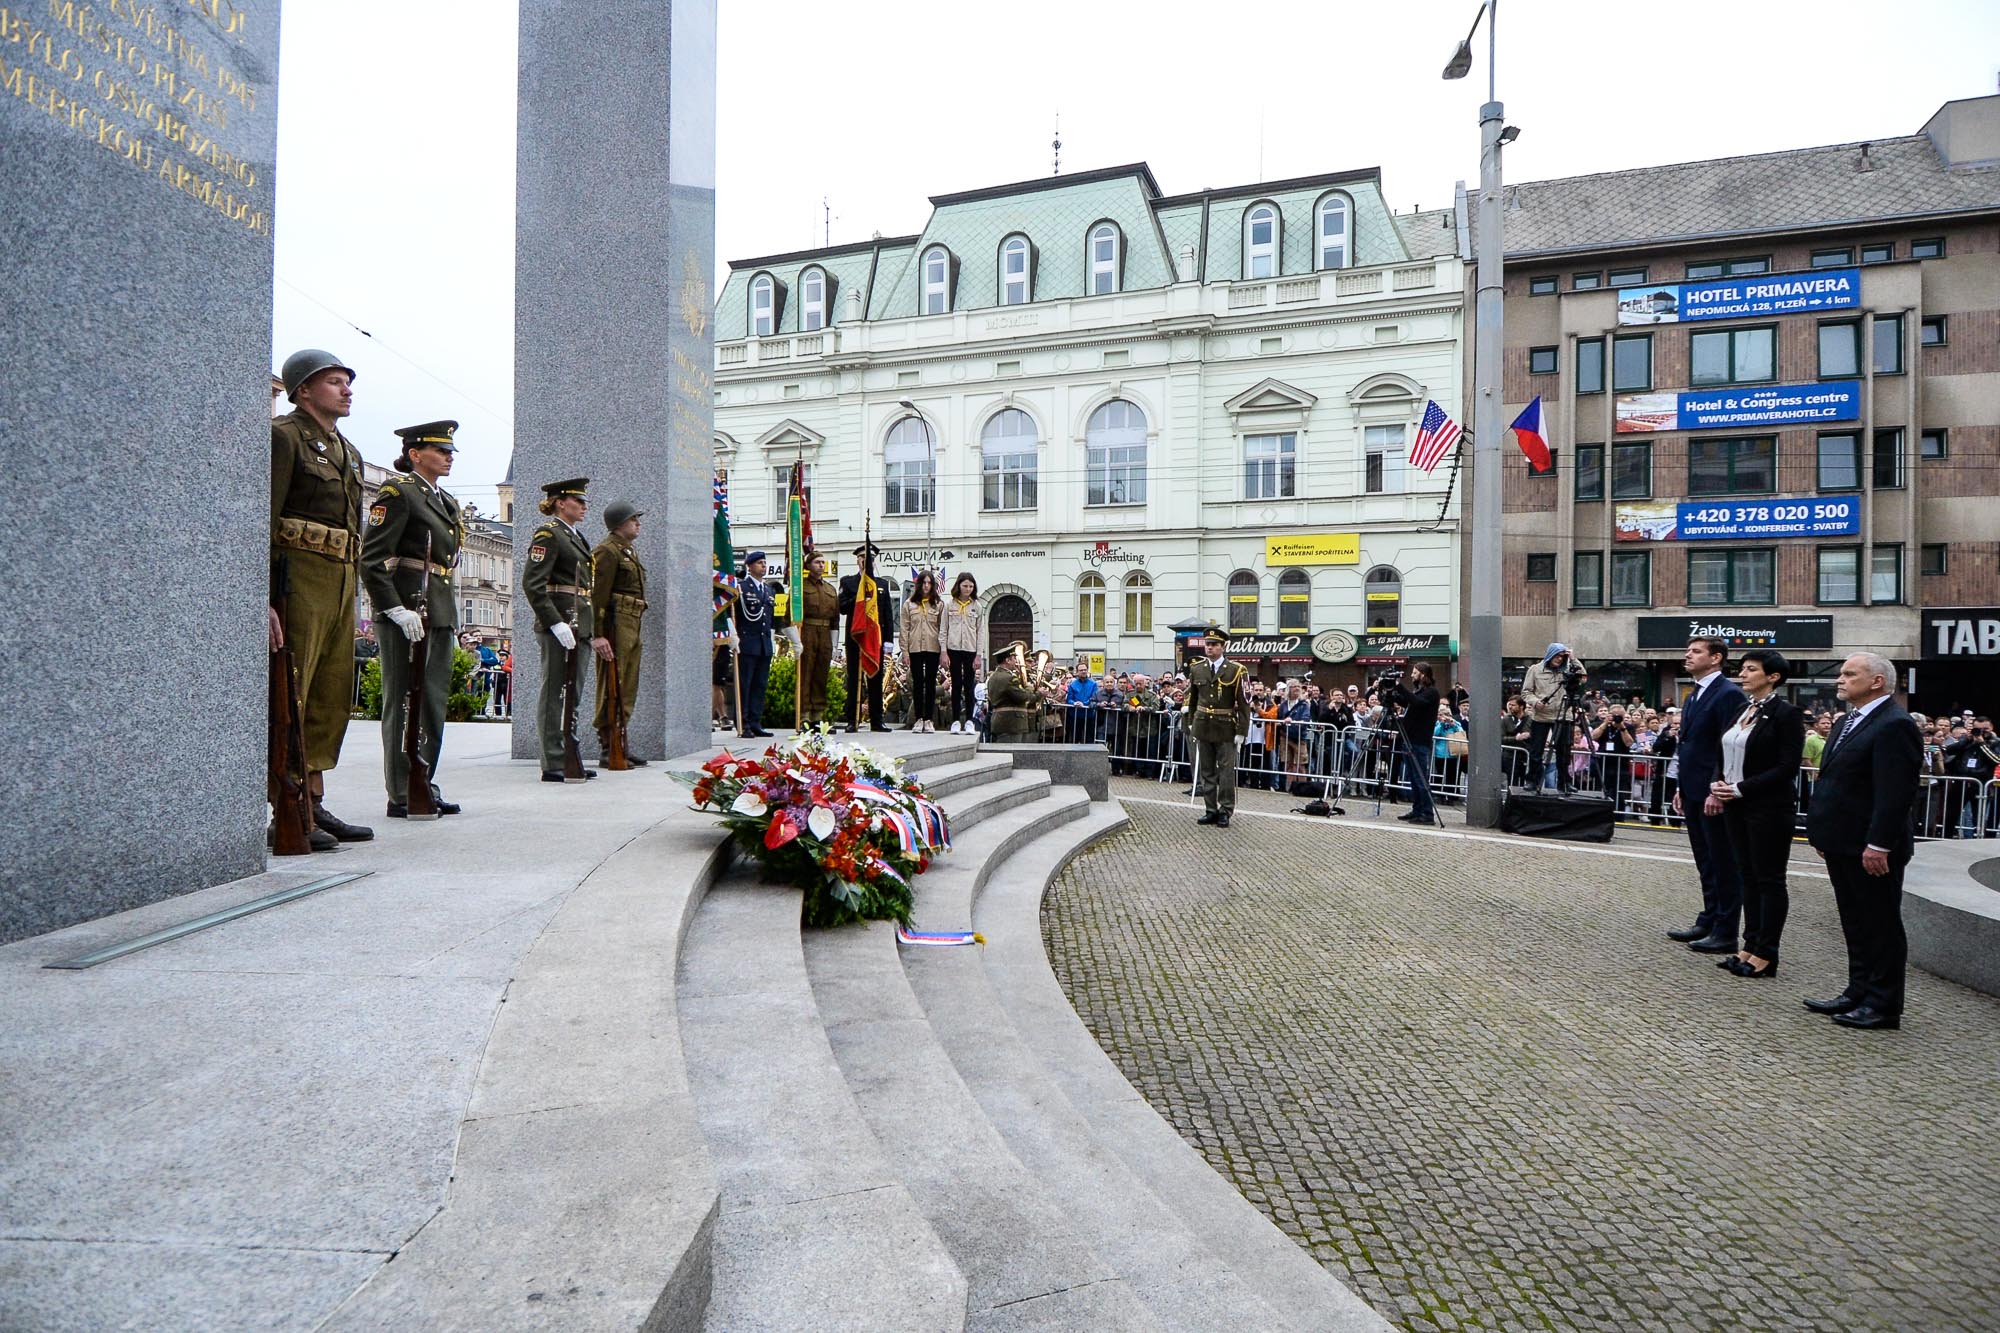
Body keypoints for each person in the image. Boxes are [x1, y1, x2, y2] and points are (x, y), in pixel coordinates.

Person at [271, 348, 372, 848]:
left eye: (347, 382)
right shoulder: (284, 437)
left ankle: (314, 800)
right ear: (303, 389)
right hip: (299, 578)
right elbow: (264, 520)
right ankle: (286, 806)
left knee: (331, 696)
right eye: (335, 381)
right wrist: (266, 598)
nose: (347, 389)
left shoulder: (347, 451)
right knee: (294, 692)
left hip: (340, 579)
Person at [1805, 653, 1924, 1030]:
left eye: (1849, 674)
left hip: (1872, 847)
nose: (1839, 680)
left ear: (1876, 682)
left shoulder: (1894, 724)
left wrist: (1880, 844)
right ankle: (1857, 990)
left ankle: (1884, 1004)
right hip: (1842, 842)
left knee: (1880, 924)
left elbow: (1895, 792)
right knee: (1854, 922)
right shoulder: (1846, 722)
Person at [360, 420, 465, 818]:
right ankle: (401, 790)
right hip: (406, 607)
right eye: (441, 451)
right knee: (403, 699)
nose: (449, 457)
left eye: (451, 452)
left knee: (432, 701)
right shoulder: (399, 493)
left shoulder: (446, 500)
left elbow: (443, 562)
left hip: (436, 609)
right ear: (415, 454)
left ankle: (424, 781)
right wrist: (393, 607)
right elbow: (371, 559)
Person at [1707, 650, 1807, 980]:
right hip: (1736, 804)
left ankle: (1767, 951)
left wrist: (1742, 788)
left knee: (1769, 878)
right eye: (1743, 669)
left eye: (1751, 669)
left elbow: (1786, 766)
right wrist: (1718, 781)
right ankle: (1748, 945)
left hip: (1767, 807)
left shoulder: (1786, 713)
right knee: (1746, 874)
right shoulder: (1742, 709)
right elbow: (1725, 750)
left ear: (1773, 676)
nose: (1743, 675)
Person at [1668, 637, 1749, 954]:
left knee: (1722, 860)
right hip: (1692, 788)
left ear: (1716, 658)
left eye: (1696, 651)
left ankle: (1726, 929)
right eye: (1687, 650)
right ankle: (1710, 917)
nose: (1688, 655)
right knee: (1705, 860)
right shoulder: (1694, 694)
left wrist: (1718, 787)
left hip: (1712, 791)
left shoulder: (1728, 694)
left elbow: (1726, 746)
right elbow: (1688, 744)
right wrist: (1680, 786)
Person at [522, 478, 599, 782]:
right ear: (558, 502)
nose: (584, 506)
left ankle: (568, 753)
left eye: (584, 501)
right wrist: (554, 621)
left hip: (578, 621)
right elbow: (533, 583)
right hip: (560, 621)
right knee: (555, 691)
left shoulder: (576, 536)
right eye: (577, 501)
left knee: (573, 693)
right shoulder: (549, 534)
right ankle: (553, 759)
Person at [589, 500, 648, 765]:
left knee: (627, 685)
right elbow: (597, 596)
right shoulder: (607, 551)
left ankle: (620, 741)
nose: (638, 523)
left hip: (631, 620)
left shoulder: (628, 551)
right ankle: (607, 745)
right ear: (619, 524)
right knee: (612, 683)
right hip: (615, 622)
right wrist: (597, 633)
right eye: (633, 519)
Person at [1184, 625, 1250, 828]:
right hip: (1204, 725)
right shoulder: (1197, 669)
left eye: (1214, 645)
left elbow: (1245, 703)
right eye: (1207, 644)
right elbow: (1193, 700)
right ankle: (1210, 809)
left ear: (1223, 647)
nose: (1209, 648)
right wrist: (1191, 724)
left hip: (1225, 727)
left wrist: (1241, 731)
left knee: (1226, 771)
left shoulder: (1237, 670)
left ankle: (1225, 809)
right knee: (1206, 770)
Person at [838, 542, 894, 732]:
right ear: (858, 561)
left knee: (875, 679)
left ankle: (877, 720)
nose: (866, 562)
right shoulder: (848, 582)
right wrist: (860, 597)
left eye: (870, 559)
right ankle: (852, 720)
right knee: (854, 678)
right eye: (863, 558)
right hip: (856, 637)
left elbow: (887, 614)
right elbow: (842, 607)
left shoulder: (881, 584)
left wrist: (888, 642)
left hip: (874, 638)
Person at [1383, 663, 1443, 826]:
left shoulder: (1431, 693)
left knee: (1420, 778)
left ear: (1423, 674)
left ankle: (1427, 813)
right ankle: (1417, 810)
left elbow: (1416, 702)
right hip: (1409, 739)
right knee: (1413, 778)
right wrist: (1390, 692)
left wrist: (1399, 686)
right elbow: (1407, 702)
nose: (1412, 675)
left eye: (1415, 672)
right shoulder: (1419, 691)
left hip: (1419, 740)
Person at [1520, 644, 1585, 794]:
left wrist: (1574, 660)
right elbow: (1526, 692)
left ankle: (1564, 783)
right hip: (1541, 716)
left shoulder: (1568, 670)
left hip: (1564, 715)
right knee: (1536, 751)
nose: (1559, 659)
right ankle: (1532, 781)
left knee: (1564, 752)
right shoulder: (1535, 669)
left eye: (1562, 656)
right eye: (1557, 655)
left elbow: (1583, 678)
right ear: (1550, 655)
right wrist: (1535, 701)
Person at [791, 549, 839, 727]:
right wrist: (796, 641)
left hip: (825, 634)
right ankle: (804, 716)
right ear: (808, 565)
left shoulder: (830, 588)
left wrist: (835, 645)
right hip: (808, 632)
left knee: (821, 675)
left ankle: (818, 715)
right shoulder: (800, 587)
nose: (821, 565)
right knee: (806, 674)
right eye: (817, 562)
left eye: (822, 562)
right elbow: (789, 615)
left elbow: (835, 620)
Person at [733, 550, 776, 737]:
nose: (763, 566)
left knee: (760, 684)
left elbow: (770, 619)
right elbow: (733, 613)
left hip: (764, 643)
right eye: (759, 563)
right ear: (749, 566)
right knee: (745, 684)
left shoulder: (769, 590)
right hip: (747, 642)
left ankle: (756, 721)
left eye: (764, 563)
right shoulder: (741, 588)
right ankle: (744, 723)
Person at [899, 570, 944, 734]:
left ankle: (929, 719)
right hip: (915, 647)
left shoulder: (938, 604)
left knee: (931, 684)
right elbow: (904, 628)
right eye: (923, 583)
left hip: (933, 647)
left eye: (929, 583)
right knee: (917, 684)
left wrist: (943, 650)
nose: (926, 586)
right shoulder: (909, 604)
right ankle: (918, 718)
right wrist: (905, 651)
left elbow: (942, 628)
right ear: (919, 585)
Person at [942, 572, 983, 734]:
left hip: (970, 649)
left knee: (969, 685)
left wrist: (979, 654)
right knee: (956, 685)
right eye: (965, 585)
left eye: (971, 586)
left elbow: (980, 632)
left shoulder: (977, 606)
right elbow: (943, 630)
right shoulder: (949, 605)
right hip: (953, 649)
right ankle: (955, 721)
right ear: (959, 586)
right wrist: (943, 652)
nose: (968, 589)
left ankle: (970, 721)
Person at [985, 642, 1040, 741]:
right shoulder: (1008, 678)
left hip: (1001, 721)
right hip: (1011, 724)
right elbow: (1022, 697)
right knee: (1012, 754)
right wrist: (1033, 690)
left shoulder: (994, 676)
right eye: (1014, 658)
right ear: (1007, 660)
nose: (1016, 661)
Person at [1064, 660, 1100, 744]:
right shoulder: (1072, 684)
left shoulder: (1093, 684)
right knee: (1074, 738)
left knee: (1089, 739)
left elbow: (1094, 697)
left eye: (1085, 669)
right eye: (1081, 670)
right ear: (1077, 672)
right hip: (1075, 715)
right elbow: (1069, 699)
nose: (1083, 671)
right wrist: (1074, 703)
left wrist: (1084, 703)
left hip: (1089, 715)